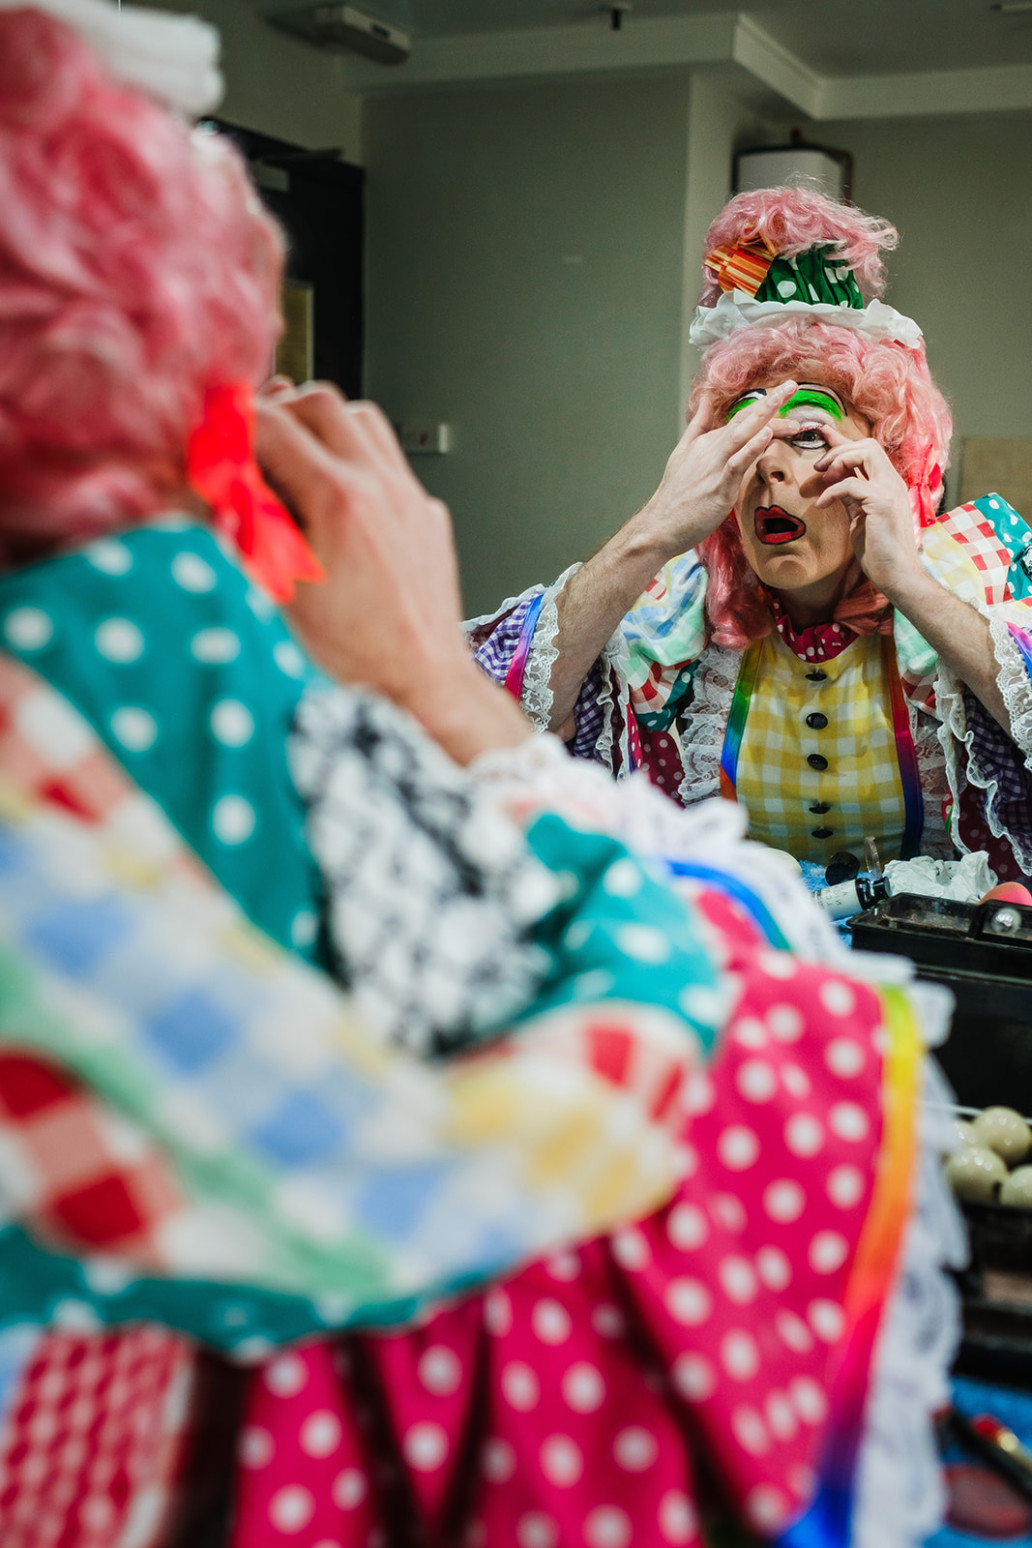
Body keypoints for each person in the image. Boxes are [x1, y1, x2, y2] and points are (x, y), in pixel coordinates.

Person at [0, 11, 960, 1547]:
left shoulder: (972, 593)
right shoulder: (646, 611)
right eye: (756, 447)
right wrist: (641, 541)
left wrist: (923, 586)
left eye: (826, 447)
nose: (787, 483)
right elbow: (471, 705)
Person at [471, 187, 1032, 883]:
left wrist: (909, 583)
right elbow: (489, 726)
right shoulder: (676, 612)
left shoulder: (976, 573)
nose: (767, 464)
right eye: (742, 440)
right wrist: (652, 529)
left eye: (805, 434)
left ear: (885, 460)